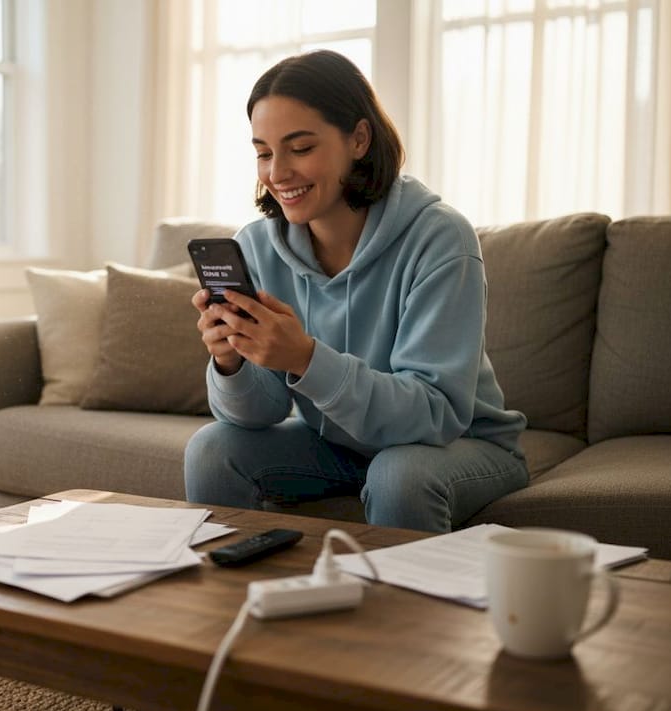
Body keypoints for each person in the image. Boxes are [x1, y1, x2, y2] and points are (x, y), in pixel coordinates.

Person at [184, 50, 528, 533]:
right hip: (336, 446)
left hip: (456, 444)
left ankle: (401, 611)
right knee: (212, 449)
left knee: (398, 474)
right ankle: (240, 600)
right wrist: (232, 362)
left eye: (300, 148)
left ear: (359, 139)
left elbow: (435, 414)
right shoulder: (256, 247)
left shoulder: (440, 238)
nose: (277, 172)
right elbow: (258, 414)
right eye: (263, 152)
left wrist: (305, 358)